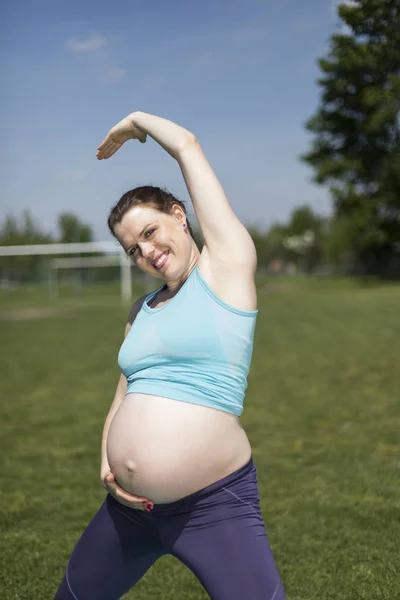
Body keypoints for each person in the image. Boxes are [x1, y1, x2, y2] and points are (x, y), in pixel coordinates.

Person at [54, 111, 287, 600]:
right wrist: (107, 462)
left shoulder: (225, 268)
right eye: (132, 248)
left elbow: (187, 145)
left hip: (212, 507)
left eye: (151, 231)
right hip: (129, 512)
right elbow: (125, 392)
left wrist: (136, 120)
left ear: (179, 215)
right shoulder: (143, 307)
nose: (146, 251)